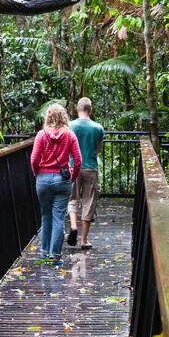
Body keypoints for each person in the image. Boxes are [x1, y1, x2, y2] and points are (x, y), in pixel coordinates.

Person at [30, 103, 81, 265]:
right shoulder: (70, 135)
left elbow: (34, 160)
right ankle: (55, 255)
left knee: (46, 216)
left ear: (49, 117)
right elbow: (78, 161)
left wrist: (37, 174)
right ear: (64, 117)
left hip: (43, 180)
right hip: (63, 179)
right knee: (58, 217)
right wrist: (72, 178)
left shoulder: (41, 135)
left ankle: (44, 252)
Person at [67, 97, 105, 250]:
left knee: (72, 198)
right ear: (91, 110)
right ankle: (83, 240)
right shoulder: (98, 128)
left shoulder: (69, 126)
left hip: (72, 167)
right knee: (89, 201)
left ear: (77, 109)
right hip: (90, 167)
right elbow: (99, 149)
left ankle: (74, 226)